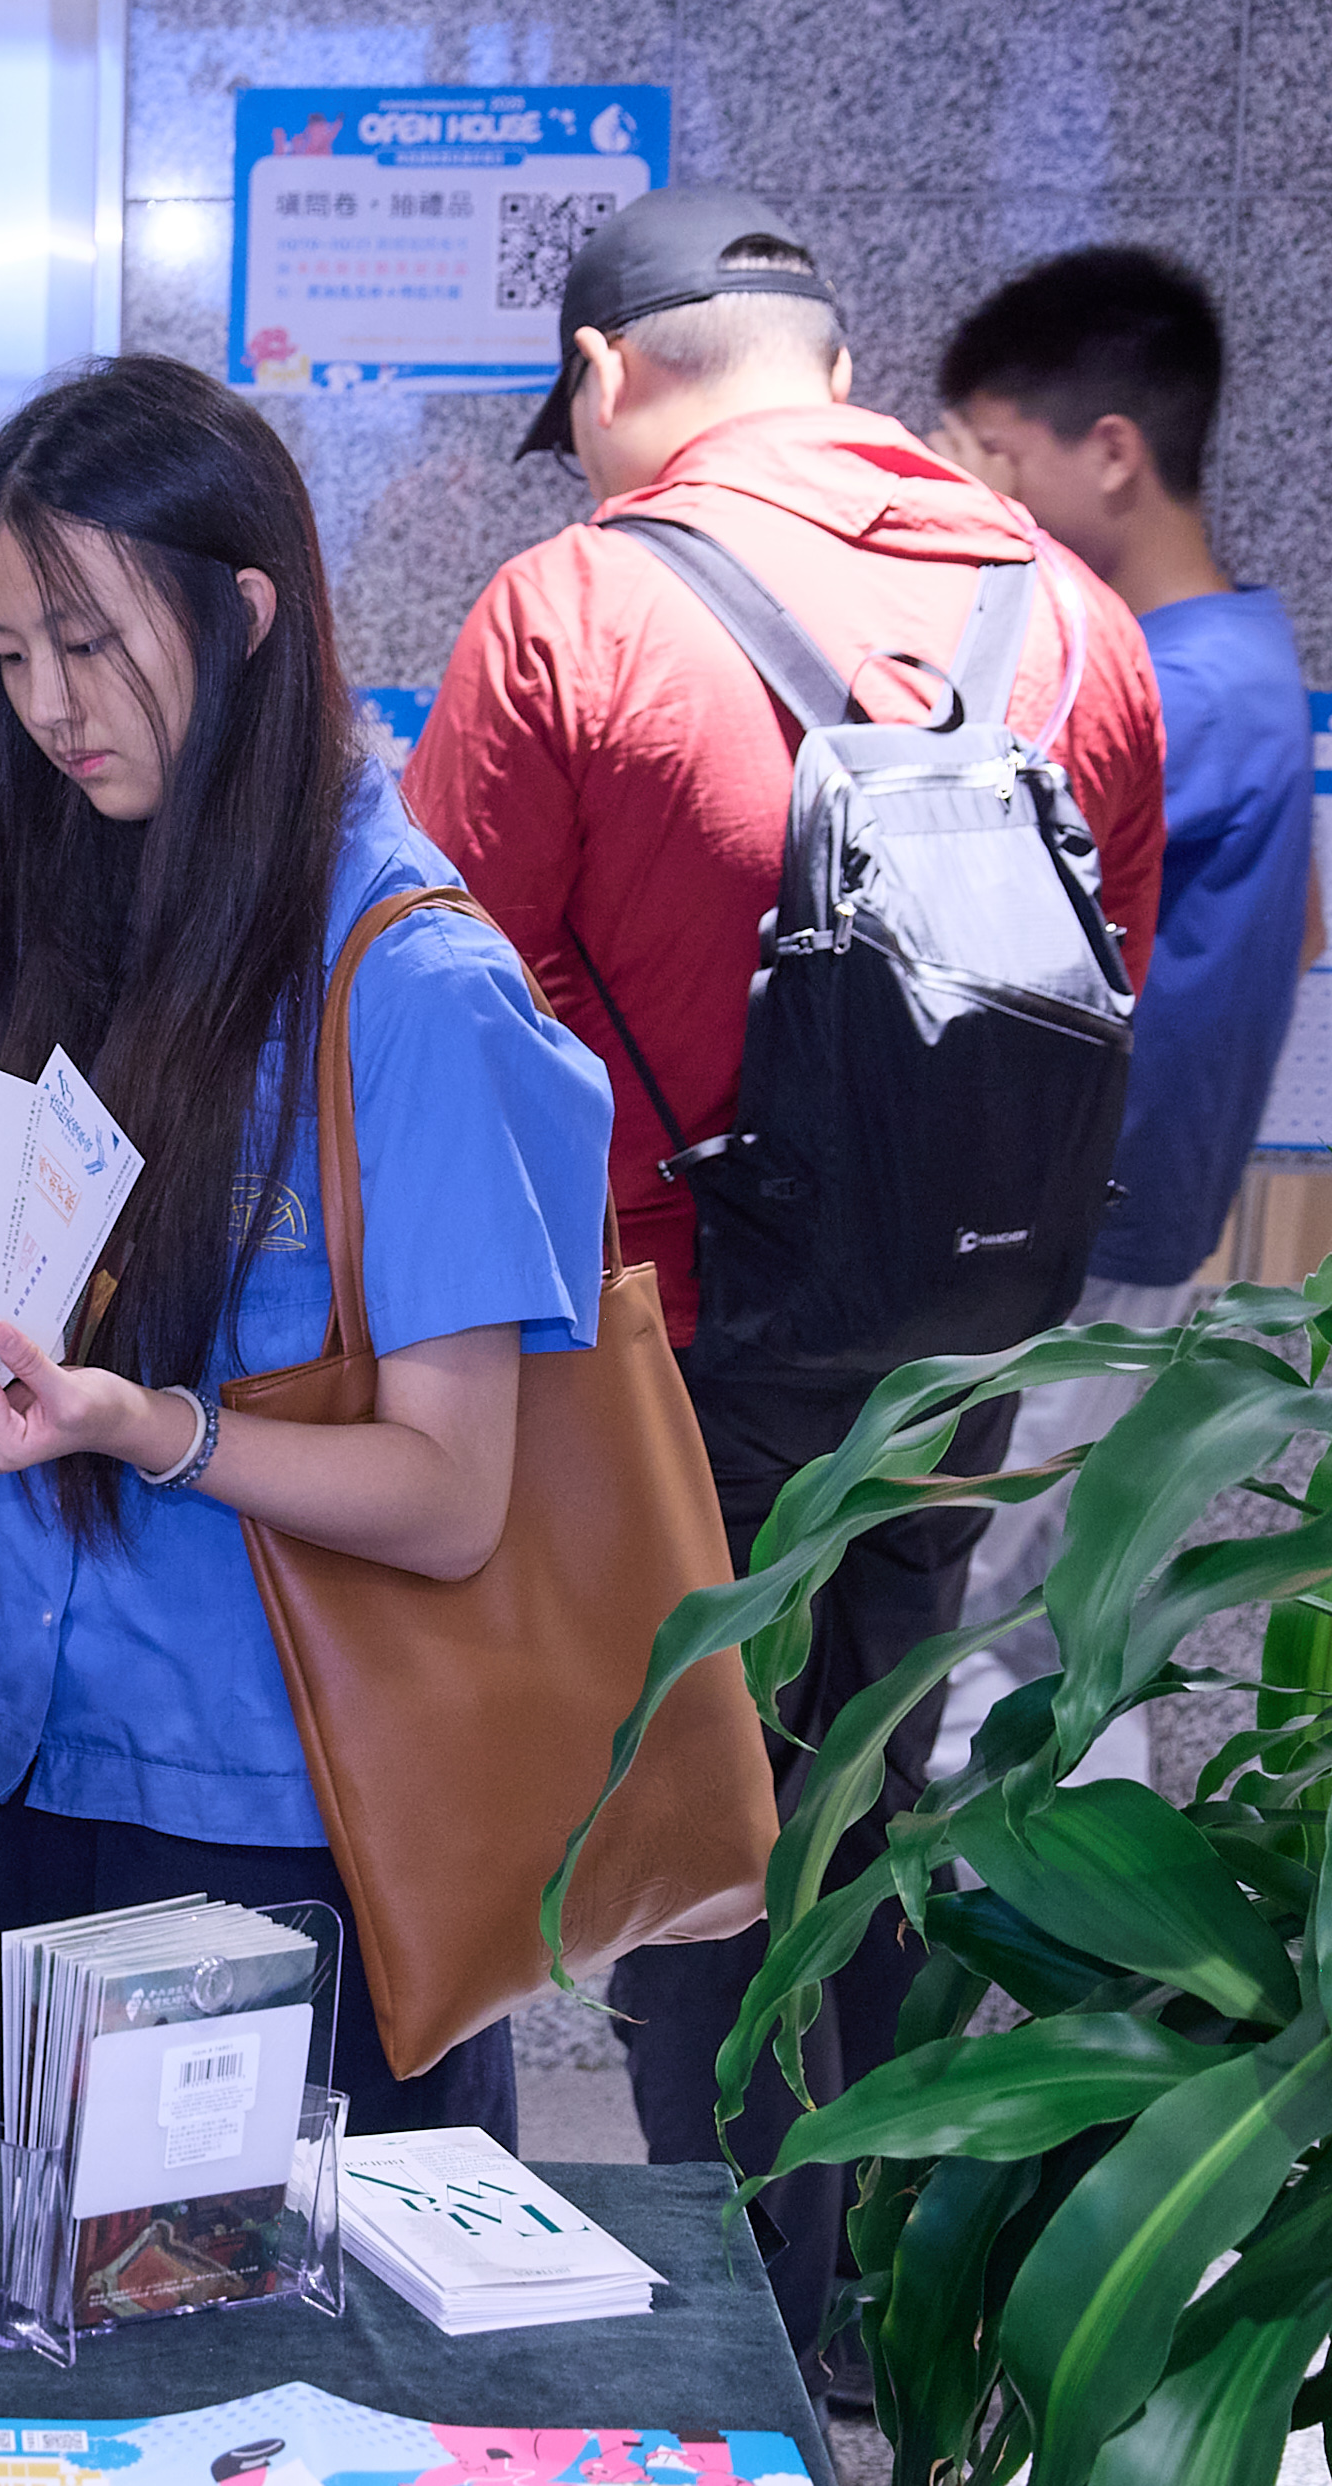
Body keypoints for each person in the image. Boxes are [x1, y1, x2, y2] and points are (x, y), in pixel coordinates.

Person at [399, 190, 1168, 2370]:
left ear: (603, 378)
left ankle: (753, 2318)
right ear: (832, 367)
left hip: (673, 1339)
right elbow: (1100, 982)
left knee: (691, 1834)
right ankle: (880, 2305)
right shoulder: (1076, 620)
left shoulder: (568, 612)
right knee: (869, 1772)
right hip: (962, 1331)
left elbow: (447, 1012)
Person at [0, 356, 611, 2147]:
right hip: (17, 1761)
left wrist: (140, 1423)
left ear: (246, 609)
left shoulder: (410, 981)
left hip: (283, 1824)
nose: (46, 706)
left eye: (88, 644)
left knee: (270, 2410)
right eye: (9, 654)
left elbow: (450, 1492)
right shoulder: (45, 919)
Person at [931, 246, 1315, 1786]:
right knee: (1068, 1614)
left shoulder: (1166, 693)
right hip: (1151, 1227)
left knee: (958, 1626)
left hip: (1086, 1243)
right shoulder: (1250, 665)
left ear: (1111, 453)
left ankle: (968, 2004)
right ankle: (1121, 1993)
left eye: (997, 464)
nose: (981, 504)